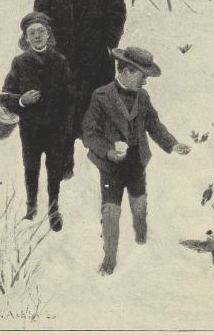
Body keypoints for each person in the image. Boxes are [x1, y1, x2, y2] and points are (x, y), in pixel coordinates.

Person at [34, 0, 126, 174]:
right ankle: (63, 166)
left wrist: (109, 44)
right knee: (60, 114)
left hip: (95, 59)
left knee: (96, 112)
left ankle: (103, 163)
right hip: (60, 58)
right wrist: (46, 47)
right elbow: (39, 12)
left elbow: (117, 12)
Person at [82, 46, 191, 275]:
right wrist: (109, 152)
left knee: (139, 204)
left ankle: (141, 233)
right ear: (128, 71)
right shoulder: (100, 96)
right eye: (143, 76)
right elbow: (89, 133)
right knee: (110, 213)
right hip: (110, 166)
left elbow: (154, 125)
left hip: (137, 162)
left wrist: (172, 144)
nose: (146, 82)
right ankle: (109, 261)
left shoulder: (143, 97)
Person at [2, 12, 73, 231]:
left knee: (54, 171)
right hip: (30, 130)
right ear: (25, 38)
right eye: (31, 32)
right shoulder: (20, 62)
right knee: (31, 169)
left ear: (49, 34)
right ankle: (31, 209)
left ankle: (53, 209)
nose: (37, 35)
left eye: (41, 31)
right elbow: (6, 95)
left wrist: (66, 126)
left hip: (56, 130)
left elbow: (70, 97)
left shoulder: (60, 61)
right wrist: (21, 100)